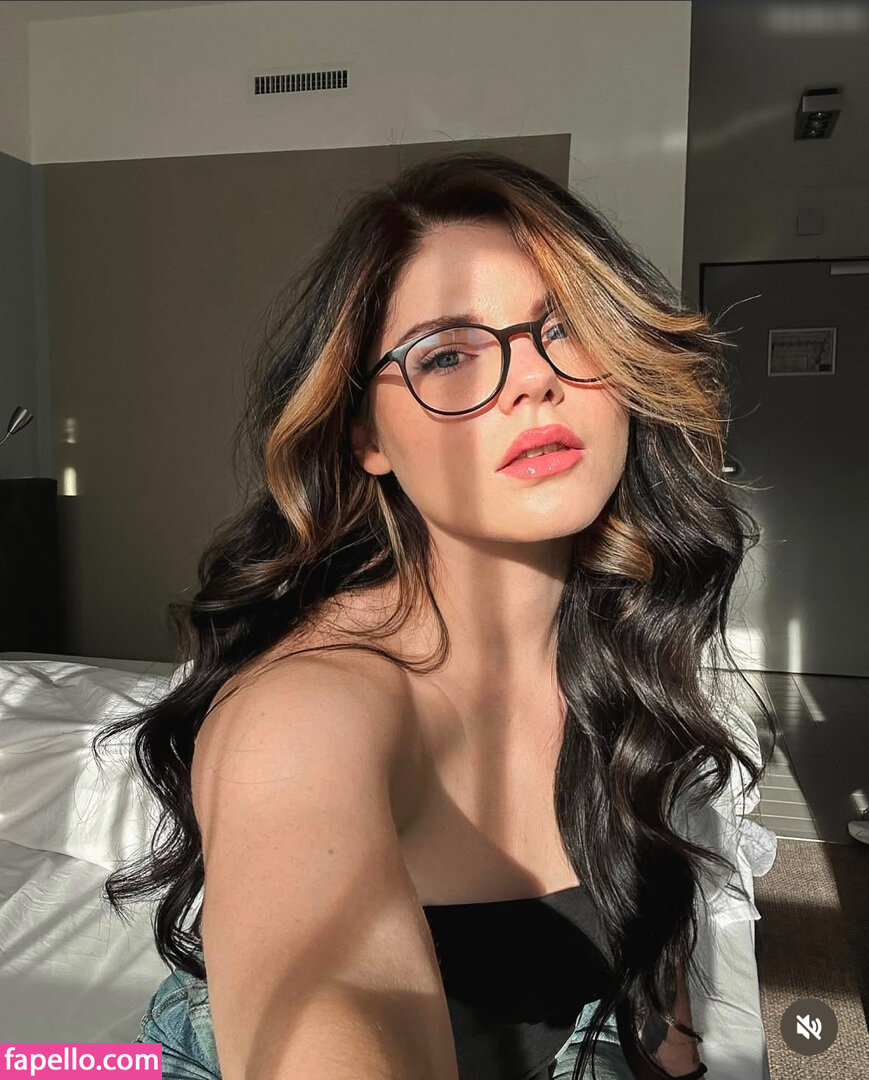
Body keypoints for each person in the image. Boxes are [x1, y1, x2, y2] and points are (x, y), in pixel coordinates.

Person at [95, 151, 772, 1080]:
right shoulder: (304, 719)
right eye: (447, 355)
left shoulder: (624, 635)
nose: (531, 380)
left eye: (567, 329)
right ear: (364, 436)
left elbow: (649, 959)